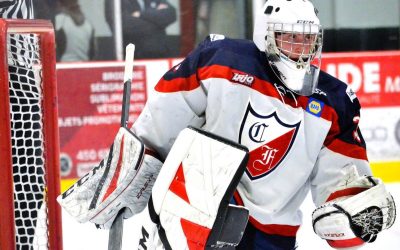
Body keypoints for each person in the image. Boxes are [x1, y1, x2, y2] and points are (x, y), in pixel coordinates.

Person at [59, 0, 396, 249]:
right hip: (196, 215)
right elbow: (165, 117)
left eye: (307, 40)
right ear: (267, 35)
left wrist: (351, 208)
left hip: (271, 232)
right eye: (290, 38)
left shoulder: (335, 100)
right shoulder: (222, 61)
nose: (301, 49)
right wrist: (136, 159)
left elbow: (340, 180)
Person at [106, 0, 176, 59]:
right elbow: (124, 25)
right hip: (132, 58)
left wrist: (140, 14)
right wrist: (157, 22)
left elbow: (171, 14)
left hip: (160, 54)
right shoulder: (117, 2)